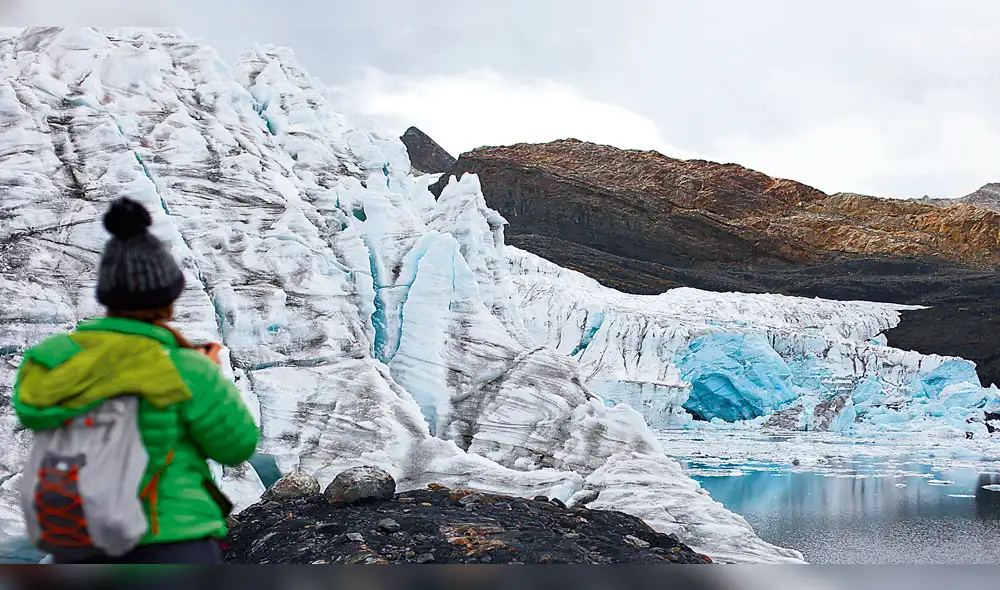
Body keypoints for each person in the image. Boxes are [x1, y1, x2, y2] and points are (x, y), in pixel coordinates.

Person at [12, 197, 259, 564]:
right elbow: (235, 446)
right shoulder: (185, 368)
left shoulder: (51, 359)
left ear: (108, 296)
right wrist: (207, 377)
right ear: (168, 299)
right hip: (173, 539)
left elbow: (34, 412)